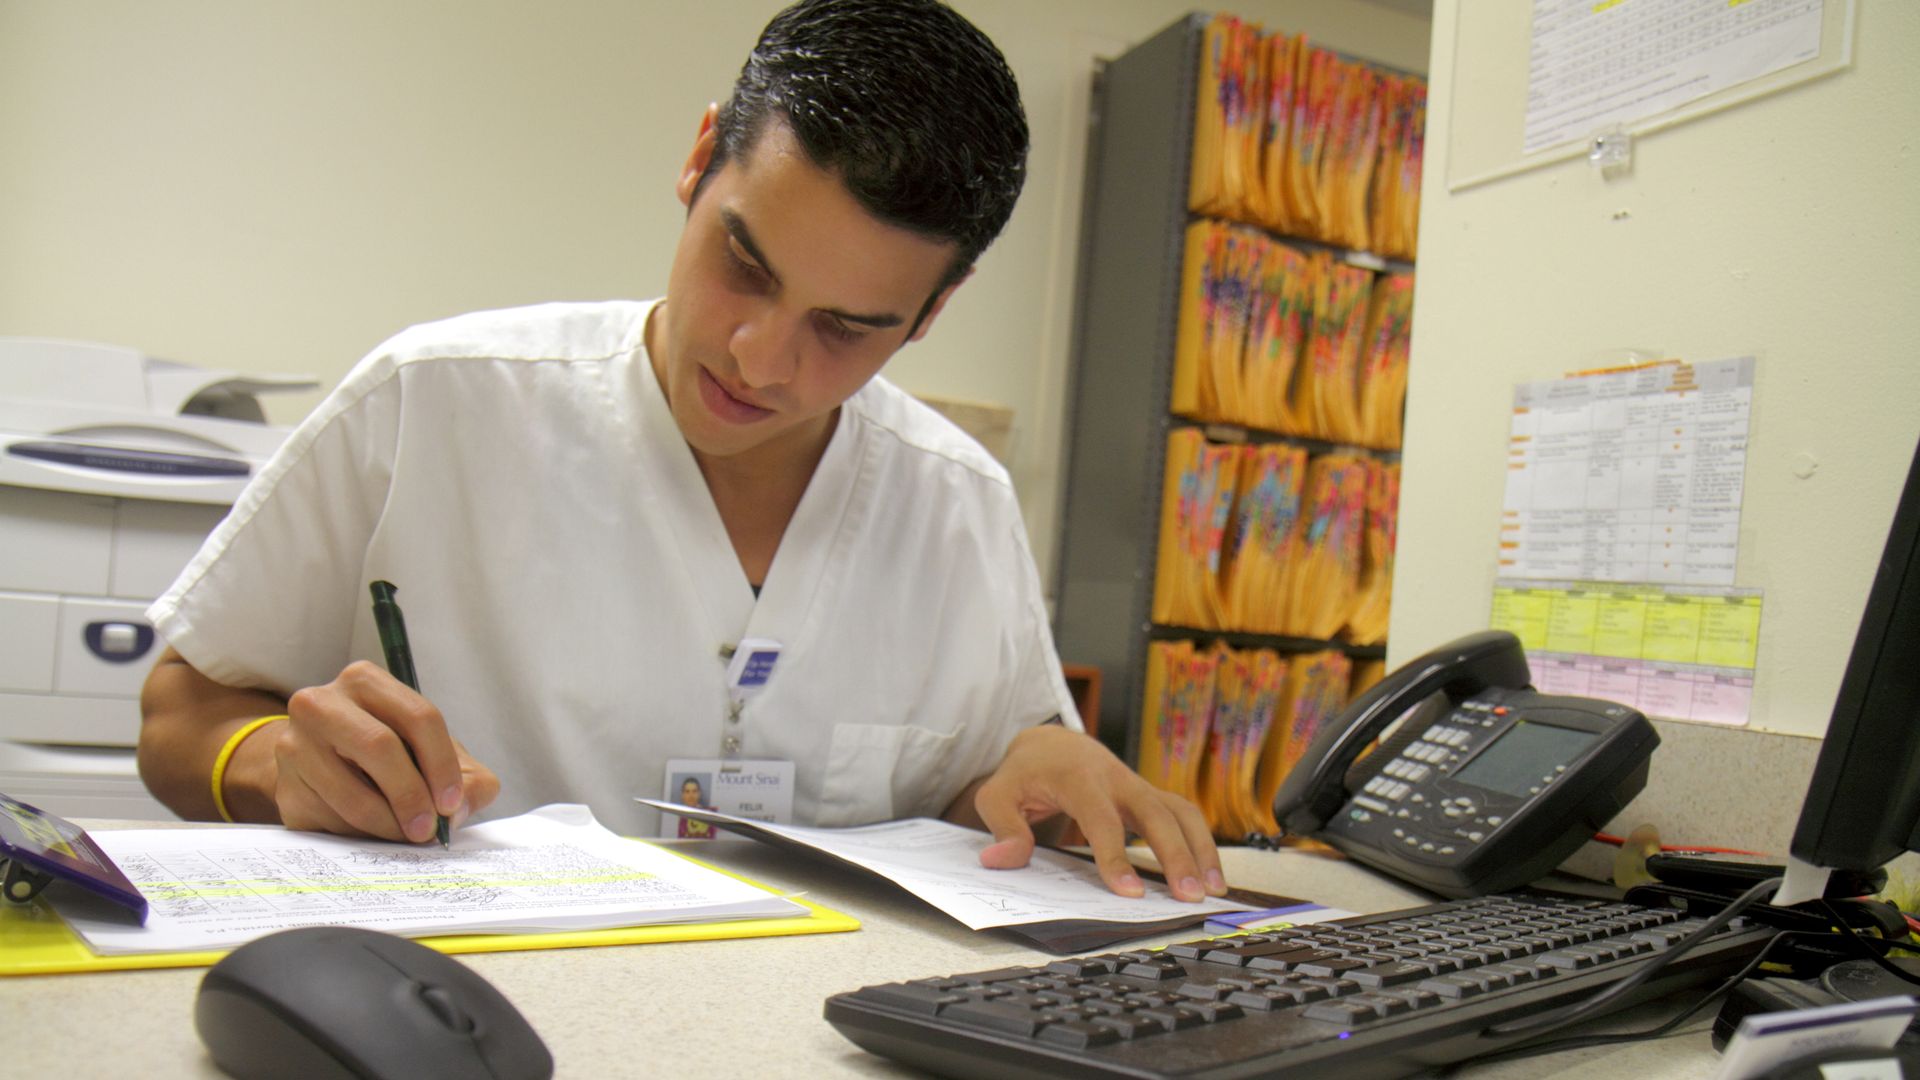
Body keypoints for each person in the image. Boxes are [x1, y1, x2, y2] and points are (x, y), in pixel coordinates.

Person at [136, 0, 1225, 903]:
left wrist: (1023, 770)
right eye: (743, 264)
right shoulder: (432, 406)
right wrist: (277, 761)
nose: (761, 358)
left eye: (845, 328)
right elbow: (179, 715)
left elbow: (972, 783)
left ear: (933, 313)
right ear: (702, 160)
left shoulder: (960, 505)